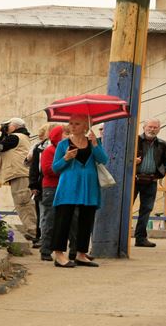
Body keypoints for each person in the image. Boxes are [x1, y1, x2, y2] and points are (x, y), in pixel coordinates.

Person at [49, 115, 107, 268]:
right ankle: (59, 254)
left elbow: (103, 160)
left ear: (86, 127)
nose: (72, 126)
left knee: (86, 219)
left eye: (77, 124)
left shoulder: (94, 141)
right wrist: (66, 158)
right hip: (69, 185)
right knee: (63, 219)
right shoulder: (63, 144)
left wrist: (95, 145)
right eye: (71, 123)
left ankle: (81, 254)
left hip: (89, 186)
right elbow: (55, 168)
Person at [0, 117, 37, 243]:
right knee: (24, 203)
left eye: (8, 125)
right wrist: (3, 133)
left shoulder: (15, 137)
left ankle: (34, 232)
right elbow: (2, 147)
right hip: (20, 174)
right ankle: (35, 232)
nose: (6, 127)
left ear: (14, 126)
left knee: (24, 204)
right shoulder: (20, 137)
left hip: (19, 174)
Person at [132, 118, 166, 247]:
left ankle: (140, 238)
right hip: (134, 180)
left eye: (155, 127)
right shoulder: (134, 140)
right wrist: (133, 161)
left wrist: (160, 174)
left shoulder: (162, 144)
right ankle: (121, 236)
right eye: (150, 127)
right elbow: (124, 157)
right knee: (126, 208)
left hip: (151, 181)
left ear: (159, 129)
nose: (152, 129)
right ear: (144, 127)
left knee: (146, 210)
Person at [37, 125, 65, 262]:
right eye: (65, 133)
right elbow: (47, 170)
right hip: (52, 188)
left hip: (64, 187)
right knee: (50, 219)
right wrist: (65, 163)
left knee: (66, 221)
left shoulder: (67, 150)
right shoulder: (50, 151)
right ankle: (46, 250)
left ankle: (70, 251)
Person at [27, 124, 51, 242]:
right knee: (42, 212)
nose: (40, 136)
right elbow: (34, 167)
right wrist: (33, 184)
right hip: (41, 183)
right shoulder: (39, 148)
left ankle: (43, 236)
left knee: (45, 212)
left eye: (42, 134)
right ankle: (41, 236)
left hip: (48, 183)